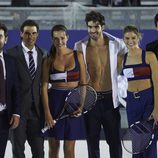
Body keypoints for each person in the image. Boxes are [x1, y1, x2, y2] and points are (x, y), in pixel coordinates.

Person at [74, 11, 126, 158]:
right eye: (89, 27)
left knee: (114, 142)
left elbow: (122, 64)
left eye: (96, 27)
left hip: (110, 100)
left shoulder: (117, 44)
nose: (92, 30)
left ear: (102, 26)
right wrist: (82, 102)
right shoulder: (80, 47)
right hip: (92, 101)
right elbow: (83, 78)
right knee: (92, 143)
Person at [41, 24, 87, 158]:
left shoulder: (78, 55)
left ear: (67, 37)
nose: (59, 41)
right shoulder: (48, 60)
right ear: (52, 40)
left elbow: (83, 83)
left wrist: (81, 105)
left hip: (73, 105)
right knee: (53, 147)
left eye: (62, 38)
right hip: (54, 104)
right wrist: (47, 113)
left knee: (69, 148)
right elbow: (44, 87)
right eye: (56, 39)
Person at [7, 19, 45, 158]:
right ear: (21, 34)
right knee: (18, 152)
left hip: (37, 112)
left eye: (34, 33)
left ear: (38, 34)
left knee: (39, 153)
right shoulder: (10, 54)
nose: (31, 37)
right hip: (17, 113)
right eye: (27, 33)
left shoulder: (43, 54)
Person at [121, 25, 158, 158]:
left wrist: (156, 109)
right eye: (127, 38)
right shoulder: (122, 59)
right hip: (132, 102)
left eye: (133, 37)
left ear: (139, 38)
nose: (130, 40)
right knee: (136, 140)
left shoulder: (149, 56)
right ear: (123, 39)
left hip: (148, 100)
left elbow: (157, 84)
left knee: (150, 139)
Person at [0, 23, 20, 158]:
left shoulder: (11, 61)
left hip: (3, 116)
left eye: (0, 36)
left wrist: (16, 113)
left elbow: (15, 90)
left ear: (5, 39)